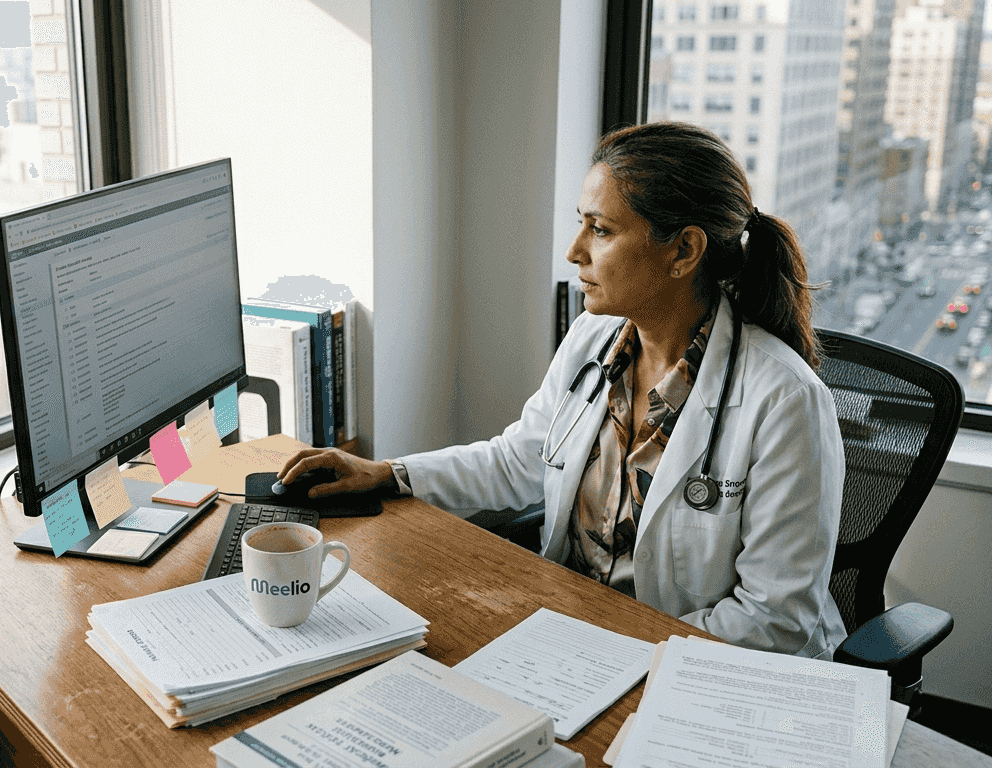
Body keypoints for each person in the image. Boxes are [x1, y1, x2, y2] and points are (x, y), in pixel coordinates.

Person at [278, 122, 848, 660]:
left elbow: (774, 622)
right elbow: (522, 459)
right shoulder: (595, 339)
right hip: (574, 639)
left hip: (697, 676)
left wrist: (614, 647)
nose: (575, 251)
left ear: (684, 251)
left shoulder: (785, 400)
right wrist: (388, 474)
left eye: (600, 230)